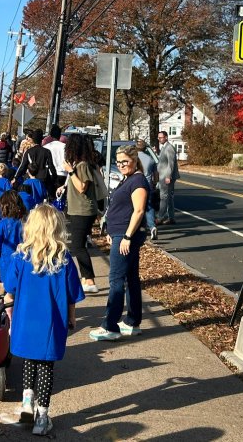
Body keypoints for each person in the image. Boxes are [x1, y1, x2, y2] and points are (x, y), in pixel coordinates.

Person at [1, 204, 85, 436]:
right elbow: (71, 297)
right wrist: (72, 318)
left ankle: (27, 401)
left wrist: (10, 317)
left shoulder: (20, 257)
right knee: (46, 367)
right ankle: (42, 417)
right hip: (50, 324)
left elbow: (10, 291)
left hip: (25, 321)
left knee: (28, 361)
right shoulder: (63, 259)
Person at [89, 145, 149, 342]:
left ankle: (110, 326)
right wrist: (113, 232)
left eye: (125, 161)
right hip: (120, 234)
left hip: (126, 236)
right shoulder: (129, 179)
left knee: (116, 280)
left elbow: (139, 211)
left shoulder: (138, 181)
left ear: (134, 160)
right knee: (130, 279)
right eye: (118, 161)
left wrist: (127, 237)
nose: (121, 165)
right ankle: (132, 322)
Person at [58, 133, 100, 293]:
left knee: (77, 246)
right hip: (79, 209)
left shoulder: (82, 165)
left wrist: (69, 171)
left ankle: (89, 279)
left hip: (82, 211)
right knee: (79, 245)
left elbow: (82, 187)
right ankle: (86, 278)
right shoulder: (81, 164)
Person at [14, 130, 56, 195]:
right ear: (41, 140)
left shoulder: (28, 151)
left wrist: (16, 177)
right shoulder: (47, 151)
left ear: (33, 140)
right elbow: (51, 166)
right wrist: (54, 177)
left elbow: (22, 166)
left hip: (30, 177)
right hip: (43, 178)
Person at [135, 139, 160, 238]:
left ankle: (138, 228)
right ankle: (152, 227)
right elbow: (156, 175)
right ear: (145, 148)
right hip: (148, 185)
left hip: (137, 184)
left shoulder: (134, 159)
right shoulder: (150, 159)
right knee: (149, 207)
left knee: (136, 207)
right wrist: (154, 184)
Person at [155, 130, 180, 226]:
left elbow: (171, 163)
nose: (159, 139)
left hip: (166, 177)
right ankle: (171, 218)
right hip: (163, 176)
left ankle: (160, 218)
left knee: (163, 197)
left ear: (166, 137)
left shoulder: (169, 148)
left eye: (161, 137)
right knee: (169, 198)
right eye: (158, 137)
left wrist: (168, 176)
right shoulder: (164, 147)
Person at [43, 125, 68, 196]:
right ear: (60, 135)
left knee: (50, 196)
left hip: (49, 174)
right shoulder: (65, 147)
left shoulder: (46, 147)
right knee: (61, 197)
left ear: (51, 135)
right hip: (62, 174)